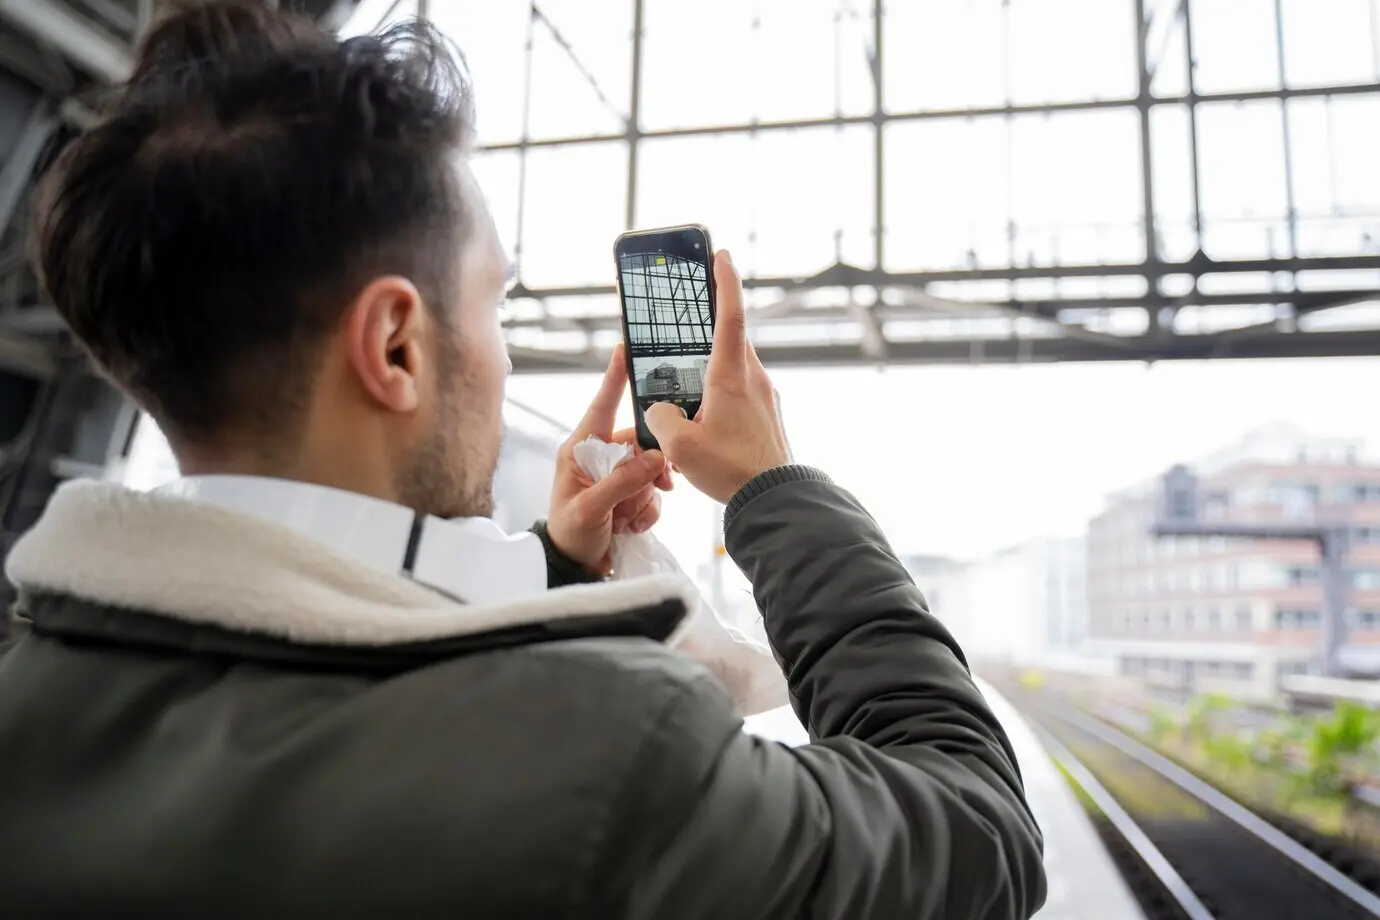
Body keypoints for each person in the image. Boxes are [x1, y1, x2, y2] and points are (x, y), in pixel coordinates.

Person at [0, 2, 1046, 918]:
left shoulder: (30, 701)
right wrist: (776, 489)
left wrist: (546, 569)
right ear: (396, 345)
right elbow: (979, 831)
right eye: (494, 302)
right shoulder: (604, 752)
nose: (499, 353)